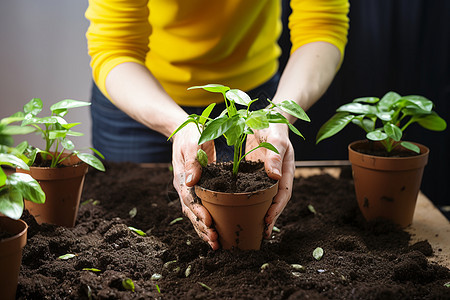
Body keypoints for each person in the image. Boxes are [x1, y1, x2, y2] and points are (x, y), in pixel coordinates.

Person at [85, 0, 349, 250]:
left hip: (252, 97)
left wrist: (277, 115)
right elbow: (115, 45)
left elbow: (321, 24)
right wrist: (179, 125)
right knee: (130, 233)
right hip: (139, 93)